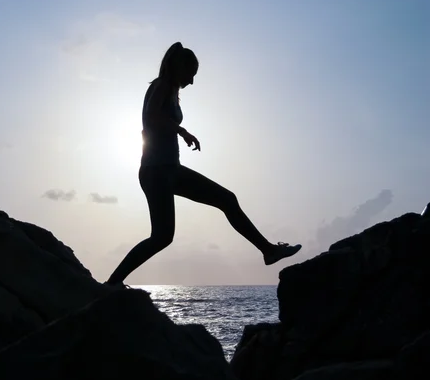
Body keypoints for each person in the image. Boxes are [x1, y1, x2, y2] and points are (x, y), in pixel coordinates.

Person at [105, 42, 301, 286]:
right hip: (157, 171)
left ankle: (268, 251)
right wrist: (182, 131)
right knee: (162, 236)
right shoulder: (162, 85)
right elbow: (152, 118)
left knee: (225, 200)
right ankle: (112, 284)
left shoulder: (169, 90)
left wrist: (179, 131)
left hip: (168, 170)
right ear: (180, 68)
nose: (192, 81)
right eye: (191, 74)